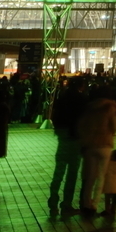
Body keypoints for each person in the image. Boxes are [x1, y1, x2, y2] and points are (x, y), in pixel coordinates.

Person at [76, 96, 116, 217]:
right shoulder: (110, 108)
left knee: (90, 177)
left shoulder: (90, 108)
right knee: (101, 177)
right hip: (105, 145)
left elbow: (81, 125)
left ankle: (86, 204)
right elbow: (114, 127)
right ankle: (95, 204)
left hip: (90, 144)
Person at [48, 83, 85, 213]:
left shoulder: (61, 99)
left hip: (63, 137)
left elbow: (54, 116)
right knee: (72, 173)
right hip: (75, 139)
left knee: (59, 171)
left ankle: (53, 199)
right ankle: (66, 203)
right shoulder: (81, 100)